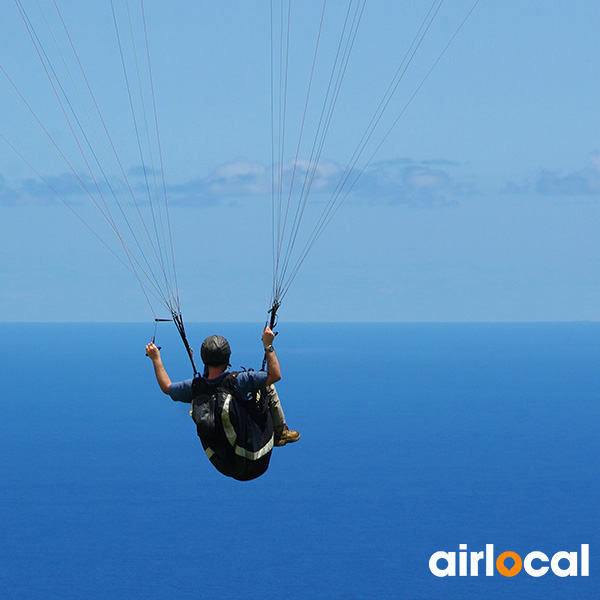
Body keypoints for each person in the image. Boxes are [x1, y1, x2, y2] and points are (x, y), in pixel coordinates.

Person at [145, 325, 300, 479]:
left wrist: (155, 358)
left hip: (225, 464)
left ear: (204, 359)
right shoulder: (239, 382)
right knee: (267, 386)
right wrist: (268, 345)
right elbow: (275, 375)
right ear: (228, 358)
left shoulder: (196, 388)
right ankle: (281, 432)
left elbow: (167, 387)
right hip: (256, 459)